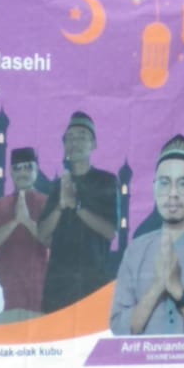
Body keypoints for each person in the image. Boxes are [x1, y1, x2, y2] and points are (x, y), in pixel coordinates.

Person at [110, 135, 184, 335]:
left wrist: (177, 289)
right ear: (154, 189)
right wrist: (157, 287)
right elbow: (119, 327)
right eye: (164, 183)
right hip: (145, 356)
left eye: (183, 183)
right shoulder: (135, 250)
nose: (173, 193)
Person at [38, 111, 119, 313]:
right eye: (70, 138)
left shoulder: (106, 181)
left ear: (93, 144)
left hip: (93, 283)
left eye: (82, 137)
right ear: (64, 145)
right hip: (59, 286)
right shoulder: (57, 186)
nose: (75, 142)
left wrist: (77, 206)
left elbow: (110, 231)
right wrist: (60, 206)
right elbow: (42, 235)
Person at [0, 146, 48, 318]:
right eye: (17, 168)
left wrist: (27, 221)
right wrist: (15, 222)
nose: (23, 173)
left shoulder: (47, 203)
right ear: (10, 172)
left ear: (36, 170)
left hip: (38, 296)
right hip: (6, 297)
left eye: (28, 167)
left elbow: (53, 241)